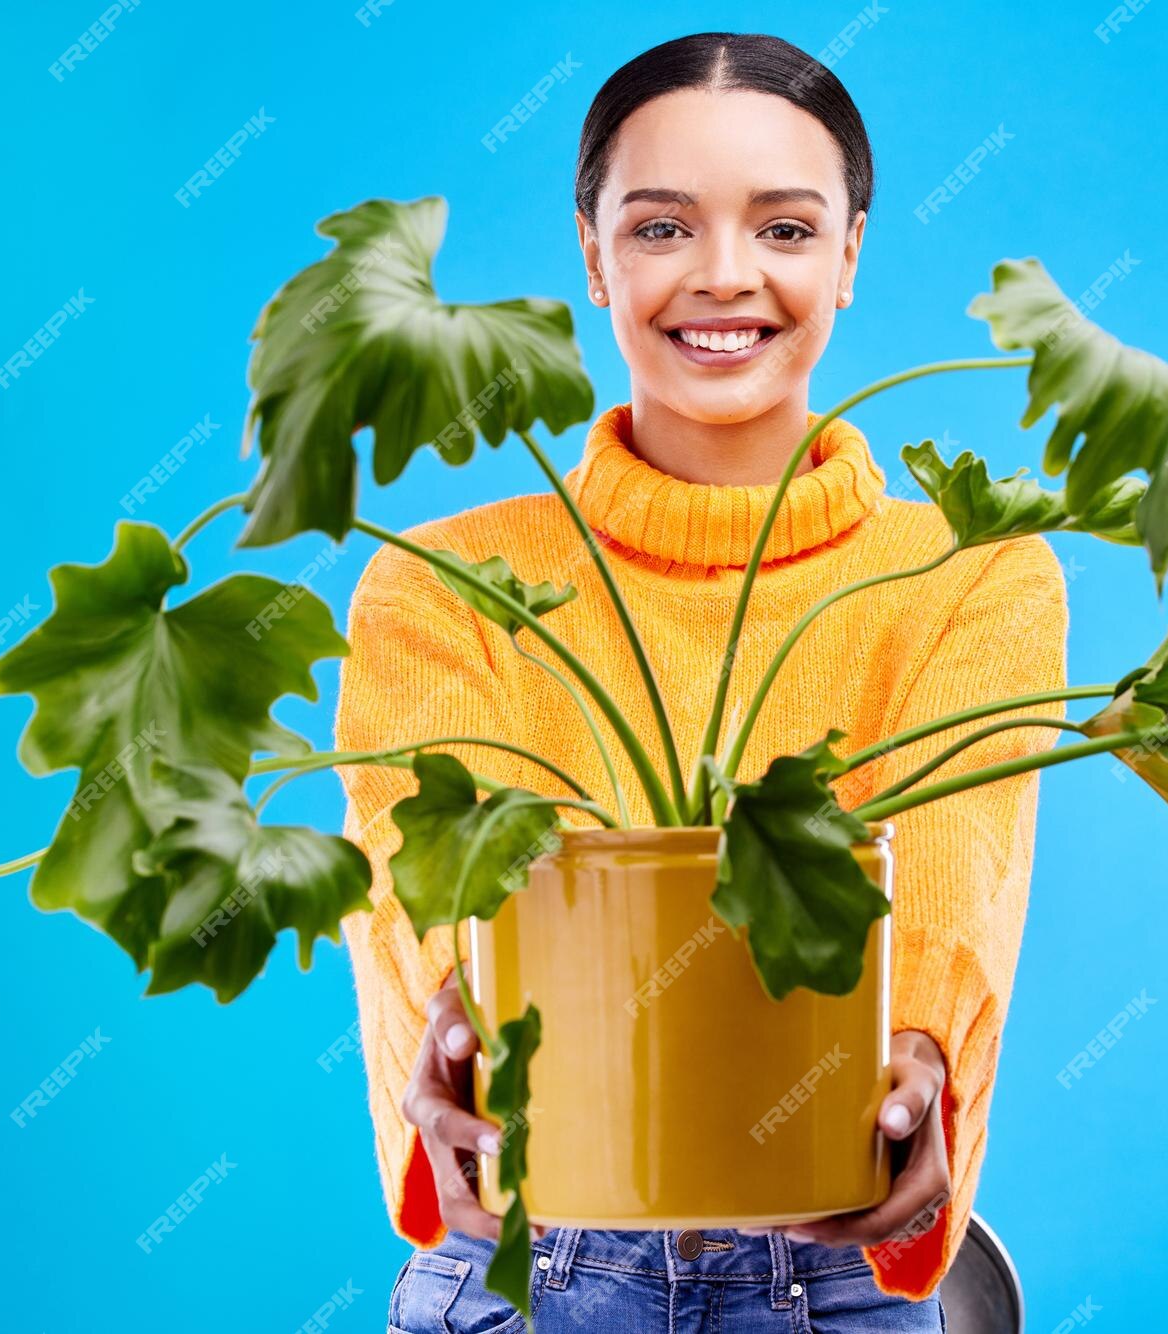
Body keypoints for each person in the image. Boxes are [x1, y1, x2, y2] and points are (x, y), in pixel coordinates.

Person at [335, 31, 1070, 1332]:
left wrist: (924, 1058)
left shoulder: (968, 573)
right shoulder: (444, 582)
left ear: (850, 255)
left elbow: (962, 856)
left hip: (826, 1261)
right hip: (535, 1254)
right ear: (592, 252)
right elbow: (416, 860)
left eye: (786, 231)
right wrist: (456, 1016)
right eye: (664, 226)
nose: (725, 276)